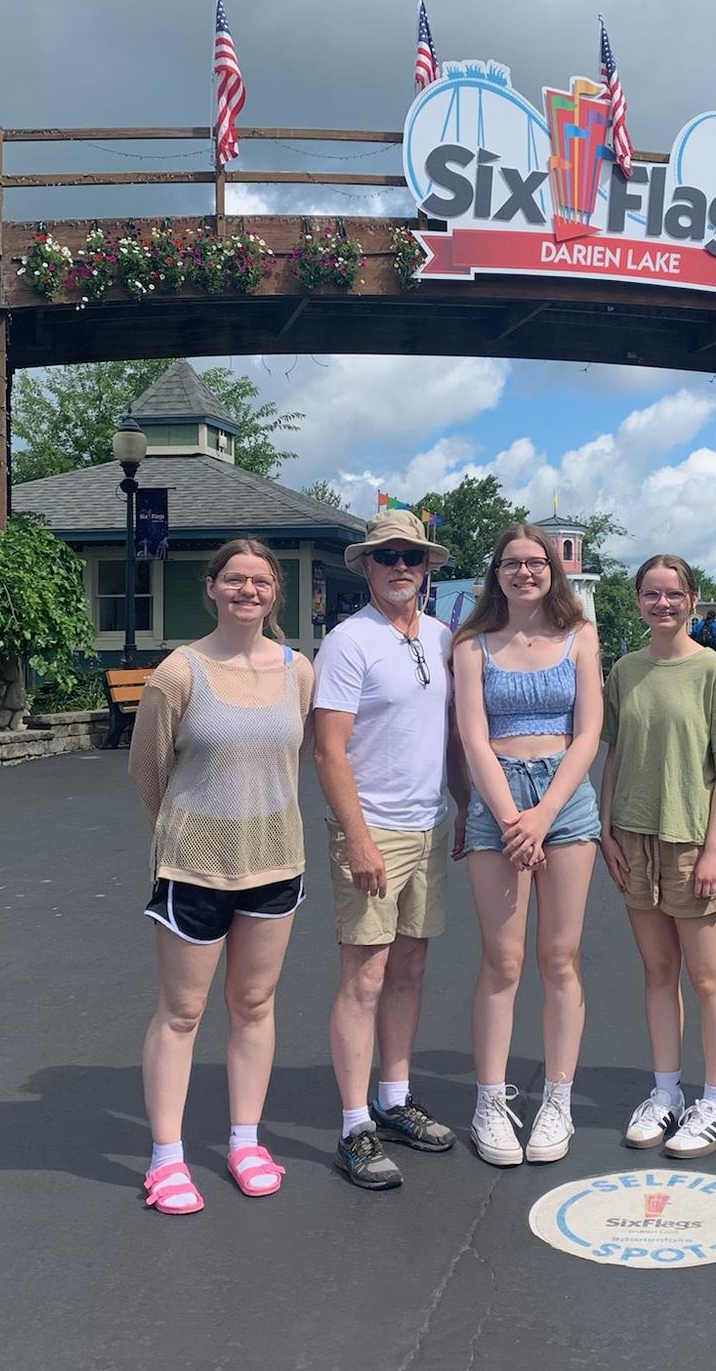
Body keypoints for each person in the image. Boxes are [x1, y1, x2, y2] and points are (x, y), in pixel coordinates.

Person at [130, 538, 314, 1215]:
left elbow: (290, 758)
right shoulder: (178, 673)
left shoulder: (298, 671)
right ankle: (166, 1158)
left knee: (254, 1005)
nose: (247, 591)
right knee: (182, 1012)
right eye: (234, 579)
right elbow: (149, 771)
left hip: (275, 859)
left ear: (275, 593)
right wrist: (195, 828)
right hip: (194, 866)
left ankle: (245, 1142)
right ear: (212, 587)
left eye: (260, 581)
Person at [313, 509, 469, 1191]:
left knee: (409, 967)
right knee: (366, 977)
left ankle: (394, 1097)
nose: (401, 566)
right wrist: (357, 838)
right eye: (388, 557)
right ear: (368, 568)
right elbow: (328, 749)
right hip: (372, 828)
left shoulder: (440, 637)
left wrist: (464, 806)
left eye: (412, 556)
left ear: (428, 567)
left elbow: (449, 735)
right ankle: (354, 1126)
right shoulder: (349, 642)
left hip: (429, 825)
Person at [453, 523, 604, 1166]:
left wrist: (543, 816)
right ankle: (490, 1100)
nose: (525, 572)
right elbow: (472, 736)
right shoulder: (472, 644)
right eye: (512, 563)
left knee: (560, 957)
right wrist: (513, 816)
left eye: (536, 562)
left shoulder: (580, 636)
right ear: (497, 573)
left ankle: (558, 1099)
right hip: (499, 801)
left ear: (553, 570)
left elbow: (589, 732)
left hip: (563, 801)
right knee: (503, 959)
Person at [601, 556, 716, 1157]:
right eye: (651, 594)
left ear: (692, 597)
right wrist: (606, 828)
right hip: (634, 833)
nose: (663, 604)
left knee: (708, 976)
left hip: (690, 837)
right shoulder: (625, 670)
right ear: (638, 599)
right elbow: (614, 752)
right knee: (658, 972)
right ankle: (666, 1093)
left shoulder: (713, 671)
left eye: (674, 594)